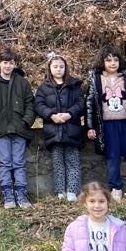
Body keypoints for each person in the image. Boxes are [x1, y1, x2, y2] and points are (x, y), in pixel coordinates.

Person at [86, 45, 126, 203]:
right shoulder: (96, 79)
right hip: (107, 125)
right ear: (102, 62)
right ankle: (115, 187)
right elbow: (90, 104)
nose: (113, 63)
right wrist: (90, 126)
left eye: (115, 60)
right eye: (108, 60)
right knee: (112, 157)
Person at [0, 46, 35, 209]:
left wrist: (26, 121)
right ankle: (8, 194)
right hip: (0, 130)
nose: (8, 66)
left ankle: (21, 193)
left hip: (19, 129)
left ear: (15, 64)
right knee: (5, 163)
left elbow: (30, 104)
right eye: (5, 62)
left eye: (11, 63)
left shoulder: (22, 82)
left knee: (19, 163)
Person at [34, 53, 85, 202]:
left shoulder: (74, 85)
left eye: (61, 67)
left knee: (72, 162)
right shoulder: (44, 87)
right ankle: (60, 192)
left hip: (72, 130)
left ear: (66, 68)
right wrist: (51, 115)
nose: (58, 69)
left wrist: (70, 114)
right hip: (53, 131)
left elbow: (81, 104)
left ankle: (72, 191)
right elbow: (38, 105)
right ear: (50, 68)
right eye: (55, 67)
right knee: (58, 163)